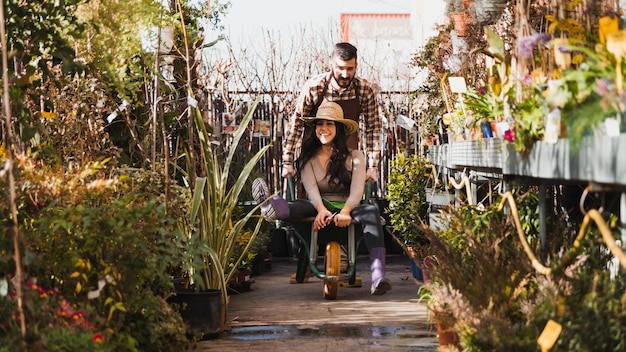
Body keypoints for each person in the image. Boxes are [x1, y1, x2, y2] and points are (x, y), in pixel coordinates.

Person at [253, 101, 391, 295]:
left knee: (371, 212)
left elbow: (357, 190)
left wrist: (345, 211)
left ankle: (378, 277)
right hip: (319, 206)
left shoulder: (356, 156)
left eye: (330, 124)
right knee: (297, 206)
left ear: (339, 129)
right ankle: (271, 206)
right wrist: (321, 209)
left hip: (349, 206)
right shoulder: (308, 157)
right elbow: (310, 188)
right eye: (319, 124)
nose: (323, 129)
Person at [282, 42, 382, 183]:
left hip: (347, 159)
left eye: (350, 69)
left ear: (356, 66)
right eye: (340, 68)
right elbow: (297, 123)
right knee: (309, 202)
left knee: (347, 201)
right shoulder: (314, 88)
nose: (345, 74)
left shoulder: (364, 91)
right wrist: (287, 161)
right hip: (314, 158)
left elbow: (373, 129)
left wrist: (373, 166)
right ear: (331, 66)